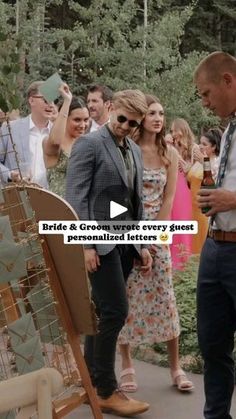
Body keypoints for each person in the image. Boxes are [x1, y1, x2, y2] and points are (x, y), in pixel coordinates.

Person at [65, 89, 152, 416]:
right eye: (122, 119)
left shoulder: (133, 149)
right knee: (115, 310)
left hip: (125, 243)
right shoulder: (89, 144)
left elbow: (135, 202)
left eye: (133, 123)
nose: (126, 126)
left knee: (103, 312)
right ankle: (105, 388)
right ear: (110, 108)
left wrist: (141, 244)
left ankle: (89, 379)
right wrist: (86, 245)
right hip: (98, 244)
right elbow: (76, 197)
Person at [118, 95, 194, 394]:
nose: (158, 118)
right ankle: (126, 365)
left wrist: (153, 236)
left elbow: (170, 198)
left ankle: (176, 367)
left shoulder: (170, 153)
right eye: (152, 113)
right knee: (126, 296)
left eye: (162, 113)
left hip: (158, 230)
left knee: (166, 296)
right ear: (141, 116)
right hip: (128, 227)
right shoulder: (127, 149)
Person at [194, 51, 236, 419]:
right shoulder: (228, 130)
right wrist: (213, 201)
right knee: (211, 345)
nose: (205, 103)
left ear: (228, 80)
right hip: (213, 249)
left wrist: (232, 198)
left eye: (206, 93)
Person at [0, 81, 54, 187]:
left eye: (53, 100)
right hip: (17, 197)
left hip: (49, 198)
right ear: (31, 100)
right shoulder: (10, 128)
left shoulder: (57, 134)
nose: (51, 104)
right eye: (46, 99)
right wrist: (10, 175)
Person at [43, 83, 89, 198]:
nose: (83, 125)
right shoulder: (50, 142)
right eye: (77, 120)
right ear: (65, 119)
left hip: (83, 209)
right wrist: (67, 101)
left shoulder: (88, 143)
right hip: (60, 209)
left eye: (86, 120)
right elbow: (55, 142)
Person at [170, 118, 199, 268]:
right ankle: (176, 261)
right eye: (172, 131)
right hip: (176, 188)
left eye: (175, 130)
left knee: (185, 221)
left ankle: (186, 261)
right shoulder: (174, 147)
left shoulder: (194, 149)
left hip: (188, 191)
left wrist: (179, 157)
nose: (174, 134)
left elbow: (194, 171)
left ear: (183, 129)